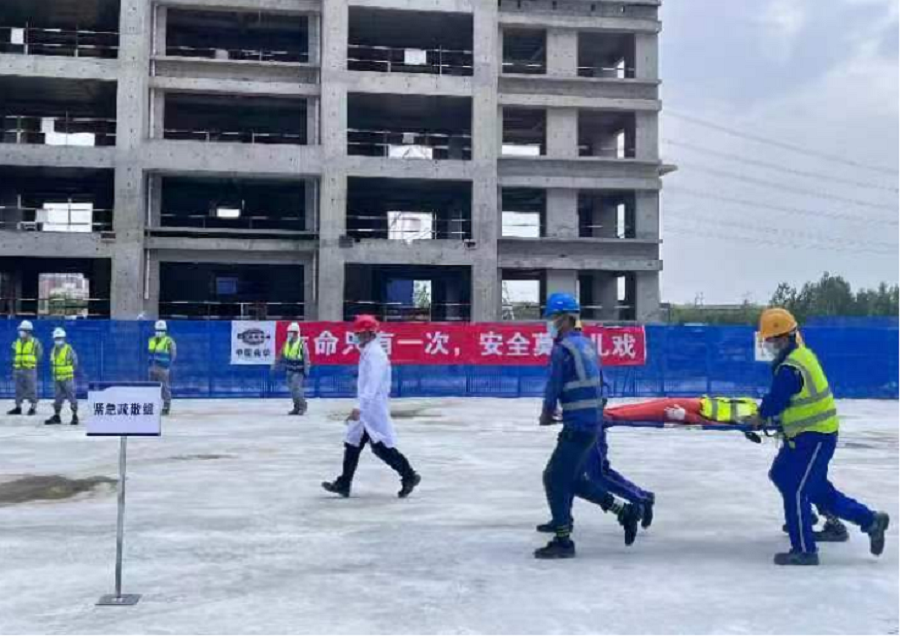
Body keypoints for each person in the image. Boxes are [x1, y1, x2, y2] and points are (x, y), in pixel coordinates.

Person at [746, 307, 889, 566]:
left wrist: (760, 416)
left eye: (772, 340)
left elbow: (777, 399)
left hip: (814, 436)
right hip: (805, 435)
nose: (770, 346)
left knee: (796, 488)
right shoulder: (801, 355)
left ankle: (804, 550)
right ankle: (867, 521)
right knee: (787, 476)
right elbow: (792, 400)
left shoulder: (791, 367)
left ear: (784, 338)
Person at [534, 293, 641, 559]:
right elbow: (600, 384)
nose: (550, 323)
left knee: (554, 478)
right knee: (572, 480)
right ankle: (624, 511)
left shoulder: (562, 350)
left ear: (565, 319)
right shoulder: (587, 345)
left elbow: (553, 387)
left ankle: (563, 541)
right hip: (592, 423)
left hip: (578, 426)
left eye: (553, 317)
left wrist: (546, 414)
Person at [322, 315, 420, 499]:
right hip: (366, 407)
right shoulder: (368, 351)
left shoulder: (375, 355)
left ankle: (409, 475)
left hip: (372, 408)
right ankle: (344, 483)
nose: (356, 336)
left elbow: (372, 385)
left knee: (381, 448)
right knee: (352, 443)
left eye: (359, 333)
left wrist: (360, 407)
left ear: (369, 333)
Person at [272, 322, 310, 416]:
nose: (289, 334)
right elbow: (280, 355)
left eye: (291, 332)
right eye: (288, 332)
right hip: (289, 371)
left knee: (296, 388)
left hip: (298, 371)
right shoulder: (287, 343)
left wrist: (306, 370)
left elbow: (306, 358)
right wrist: (275, 365)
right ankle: (296, 407)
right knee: (292, 390)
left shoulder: (301, 344)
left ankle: (302, 406)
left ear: (296, 333)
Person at [44, 327, 79, 426]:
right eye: (56, 338)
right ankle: (57, 416)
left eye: (59, 338)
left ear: (63, 338)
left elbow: (75, 362)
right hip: (57, 379)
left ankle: (75, 416)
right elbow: (53, 364)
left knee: (71, 397)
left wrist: (69, 371)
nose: (58, 340)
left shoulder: (68, 349)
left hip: (67, 378)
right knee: (57, 398)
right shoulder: (53, 350)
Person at [8, 320, 42, 416]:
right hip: (18, 368)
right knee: (18, 389)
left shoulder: (35, 342)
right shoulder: (17, 342)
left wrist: (33, 362)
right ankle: (18, 407)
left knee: (31, 388)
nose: (20, 332)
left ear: (28, 331)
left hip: (29, 369)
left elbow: (39, 354)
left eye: (22, 330)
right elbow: (13, 352)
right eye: (20, 330)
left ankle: (33, 407)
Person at [148, 320, 176, 416]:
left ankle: (166, 406)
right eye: (158, 330)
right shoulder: (152, 340)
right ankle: (152, 405)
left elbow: (173, 354)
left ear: (165, 330)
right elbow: (150, 352)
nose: (159, 332)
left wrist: (168, 365)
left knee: (164, 387)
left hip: (163, 368)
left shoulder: (169, 341)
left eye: (161, 330)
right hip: (153, 367)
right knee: (152, 387)